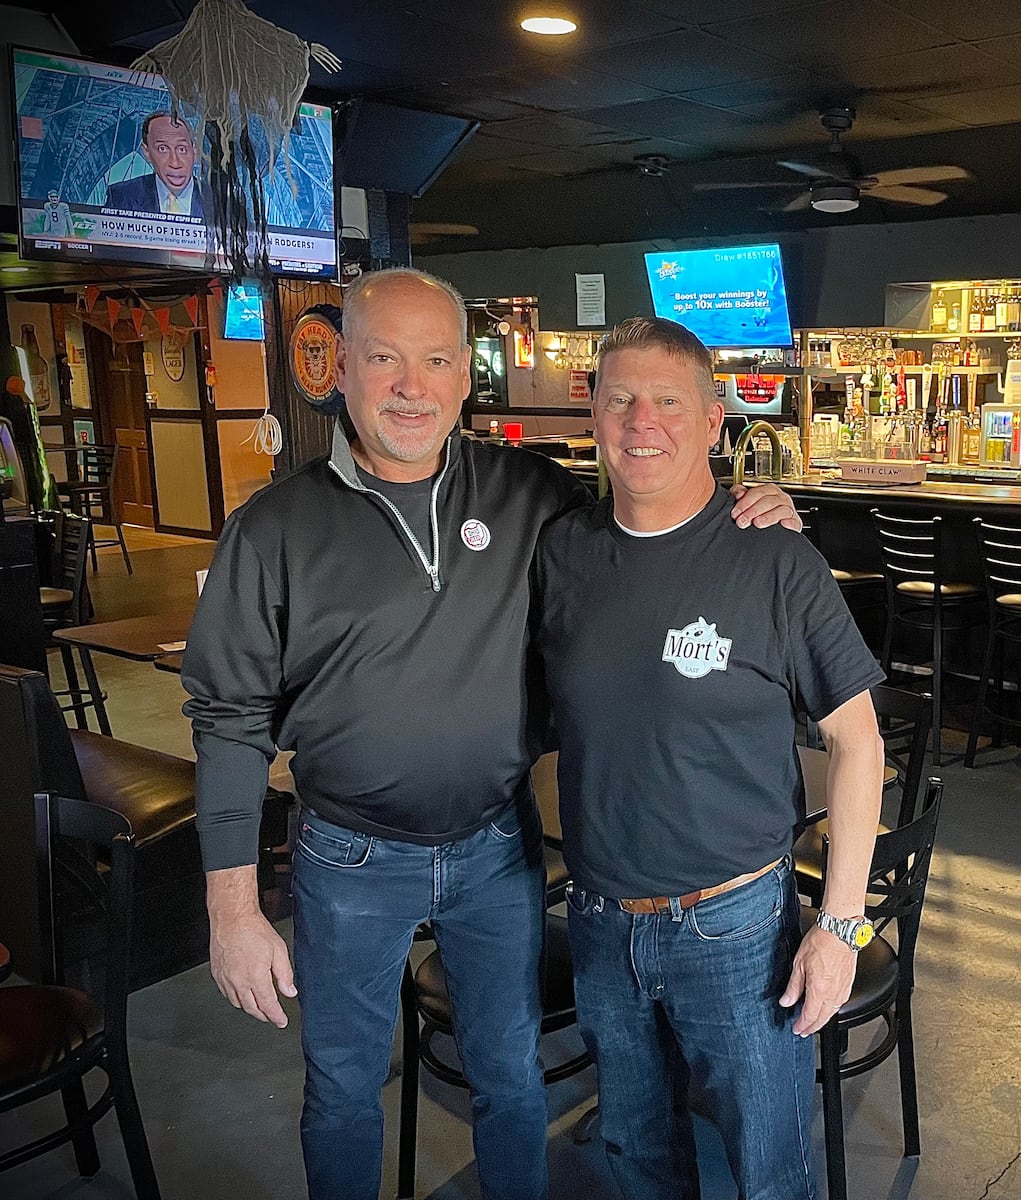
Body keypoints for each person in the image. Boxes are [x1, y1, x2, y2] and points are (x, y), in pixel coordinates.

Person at [180, 268, 798, 1200]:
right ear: (340, 369)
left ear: (467, 376)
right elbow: (226, 719)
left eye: (435, 360)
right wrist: (232, 911)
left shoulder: (529, 493)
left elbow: (650, 524)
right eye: (383, 358)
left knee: (510, 1081)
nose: (410, 386)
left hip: (496, 852)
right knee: (344, 1090)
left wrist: (757, 518)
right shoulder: (273, 528)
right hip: (347, 859)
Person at [535, 316, 886, 1199]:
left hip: (735, 927)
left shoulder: (774, 557)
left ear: (714, 421)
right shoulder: (561, 552)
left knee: (768, 1175)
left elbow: (859, 742)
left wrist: (840, 927)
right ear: (594, 415)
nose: (640, 422)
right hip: (599, 919)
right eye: (619, 400)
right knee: (638, 1158)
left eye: (666, 402)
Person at [105, 113, 210, 219]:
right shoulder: (121, 196)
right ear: (146, 152)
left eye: (182, 149)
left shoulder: (218, 201)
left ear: (195, 151)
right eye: (162, 149)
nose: (175, 163)